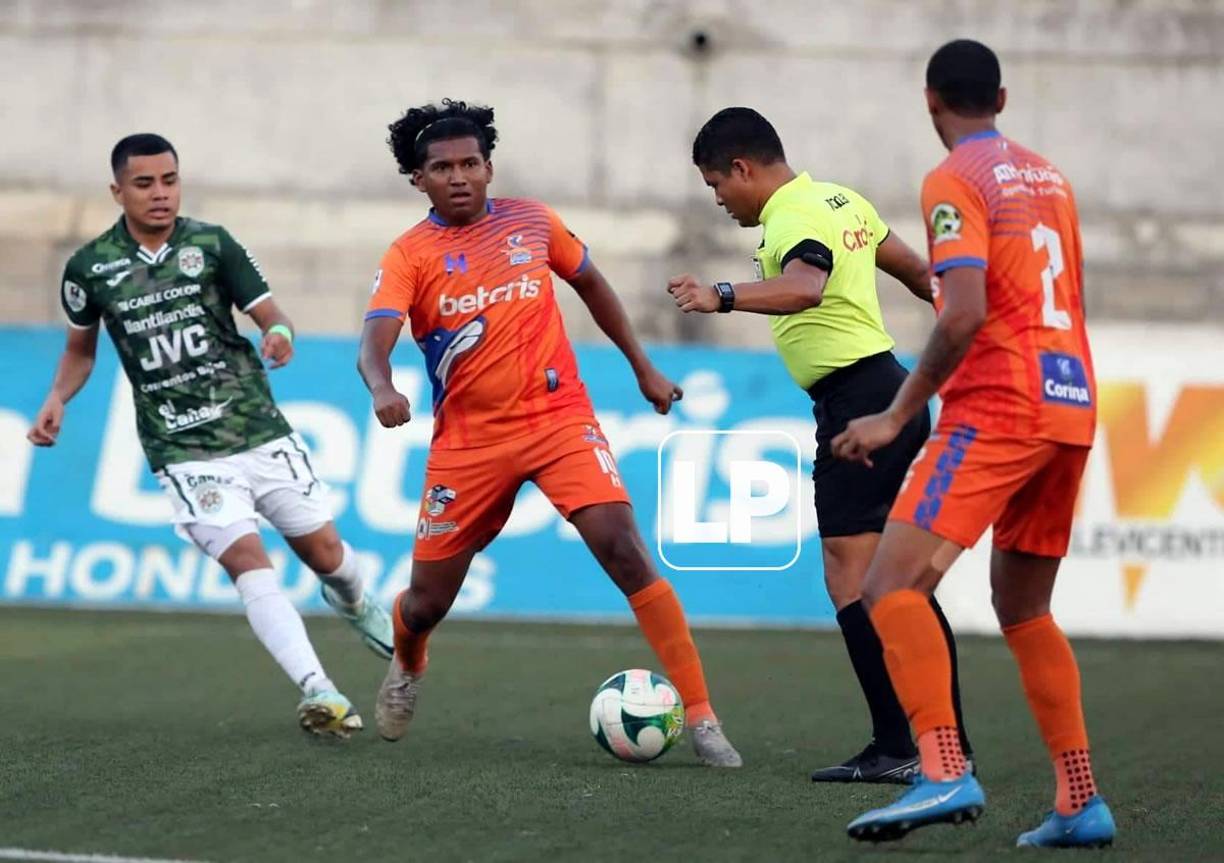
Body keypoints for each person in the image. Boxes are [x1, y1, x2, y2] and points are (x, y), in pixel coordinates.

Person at [357, 99, 742, 767]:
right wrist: (383, 386)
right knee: (425, 602)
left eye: (470, 163)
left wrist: (644, 368)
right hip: (469, 443)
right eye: (442, 167)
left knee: (623, 546)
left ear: (489, 166)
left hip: (559, 419)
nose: (459, 177)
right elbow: (374, 342)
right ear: (418, 179)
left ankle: (704, 717)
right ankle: (408, 658)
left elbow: (592, 284)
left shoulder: (532, 222)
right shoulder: (409, 255)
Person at [835, 40, 1116, 847]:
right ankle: (1078, 798)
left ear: (931, 101)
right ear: (1002, 95)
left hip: (1000, 404)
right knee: (1025, 609)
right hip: (1070, 403)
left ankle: (942, 766)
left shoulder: (954, 179)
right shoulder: (1049, 176)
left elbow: (963, 310)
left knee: (888, 584)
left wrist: (895, 413)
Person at [27, 133, 393, 738]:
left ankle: (353, 600)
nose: (160, 193)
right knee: (249, 561)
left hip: (253, 423)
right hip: (181, 446)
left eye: (169, 180)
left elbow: (270, 314)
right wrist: (56, 398)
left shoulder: (211, 244)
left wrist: (280, 335)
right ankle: (319, 690)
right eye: (144, 183)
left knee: (325, 555)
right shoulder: (90, 269)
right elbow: (79, 351)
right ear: (118, 191)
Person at [670, 107, 973, 783]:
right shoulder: (841, 200)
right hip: (885, 392)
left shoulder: (791, 216)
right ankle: (943, 744)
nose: (718, 199)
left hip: (861, 406)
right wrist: (966, 322)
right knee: (896, 582)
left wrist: (721, 294)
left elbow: (806, 288)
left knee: (854, 577)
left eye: (717, 184)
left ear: (743, 169)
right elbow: (919, 271)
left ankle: (903, 745)